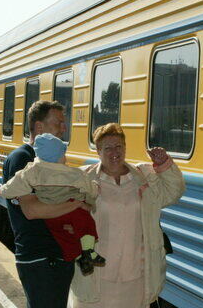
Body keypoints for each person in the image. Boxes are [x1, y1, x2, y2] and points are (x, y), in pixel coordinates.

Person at [70, 123, 184, 308]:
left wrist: (164, 164)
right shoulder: (84, 179)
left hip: (135, 276)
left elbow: (173, 192)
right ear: (98, 151)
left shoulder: (143, 176)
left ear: (125, 147)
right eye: (107, 148)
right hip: (96, 275)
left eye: (118, 146)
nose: (114, 152)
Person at [3, 100, 89, 307]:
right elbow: (32, 210)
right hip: (39, 257)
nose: (64, 128)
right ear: (39, 127)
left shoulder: (52, 160)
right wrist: (76, 203)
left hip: (57, 255)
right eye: (58, 122)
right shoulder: (23, 159)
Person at [0, 133, 104, 275]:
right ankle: (88, 252)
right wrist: (93, 194)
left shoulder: (32, 171)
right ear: (60, 156)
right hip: (71, 210)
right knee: (87, 224)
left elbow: (15, 184)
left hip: (51, 215)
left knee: (62, 237)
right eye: (64, 154)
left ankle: (78, 257)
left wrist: (3, 191)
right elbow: (89, 188)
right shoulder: (72, 173)